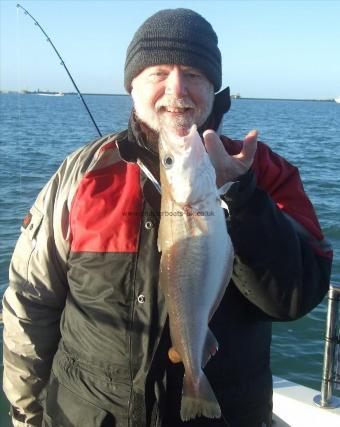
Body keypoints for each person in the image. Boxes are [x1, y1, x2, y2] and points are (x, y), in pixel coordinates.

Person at [2, 8, 332, 427]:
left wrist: (244, 198)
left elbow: (295, 299)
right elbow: (31, 299)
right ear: (132, 86)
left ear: (214, 87)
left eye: (194, 73)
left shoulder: (263, 171)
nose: (176, 89)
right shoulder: (81, 174)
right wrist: (28, 411)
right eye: (158, 71)